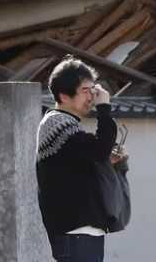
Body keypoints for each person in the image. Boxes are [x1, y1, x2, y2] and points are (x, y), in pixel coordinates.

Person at [36, 56, 117, 262]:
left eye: (93, 90)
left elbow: (84, 160)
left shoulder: (66, 124)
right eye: (85, 91)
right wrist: (104, 109)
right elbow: (100, 149)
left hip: (81, 234)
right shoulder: (58, 124)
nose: (91, 96)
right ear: (63, 96)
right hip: (75, 235)